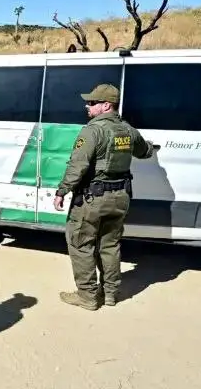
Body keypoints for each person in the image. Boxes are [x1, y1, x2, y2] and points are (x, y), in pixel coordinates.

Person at [52, 84, 155, 310]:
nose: (87, 106)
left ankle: (88, 296)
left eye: (92, 103)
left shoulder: (92, 131)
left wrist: (62, 191)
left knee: (81, 244)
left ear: (106, 105)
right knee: (109, 245)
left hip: (92, 198)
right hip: (120, 196)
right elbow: (145, 152)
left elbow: (77, 166)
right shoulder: (128, 130)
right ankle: (110, 293)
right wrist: (153, 148)